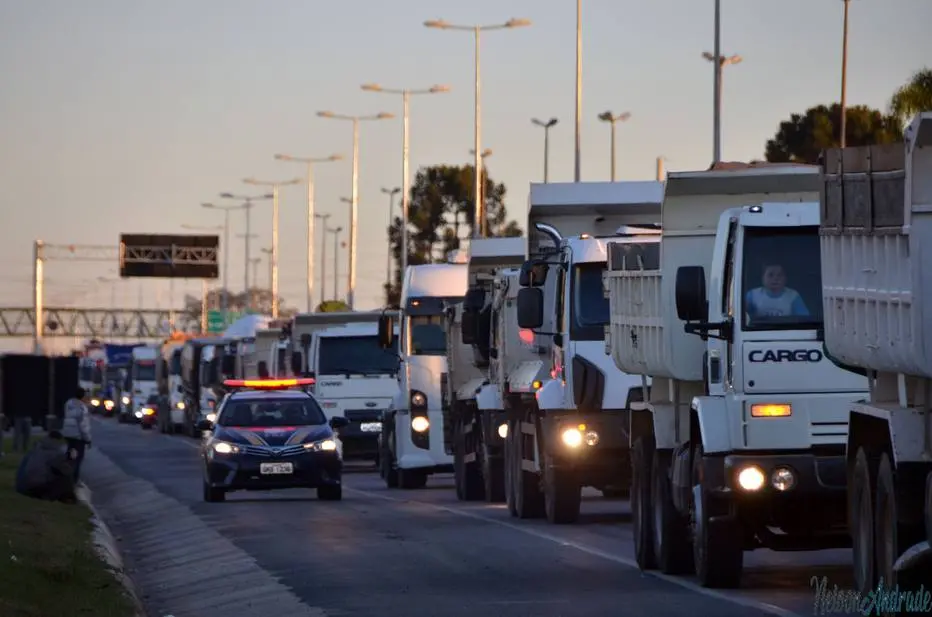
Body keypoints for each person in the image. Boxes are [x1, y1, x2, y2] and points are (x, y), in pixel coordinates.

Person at [15, 430, 76, 503]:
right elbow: (66, 470)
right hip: (37, 486)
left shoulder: (37, 447)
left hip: (25, 485)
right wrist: (71, 460)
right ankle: (68, 499)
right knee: (65, 478)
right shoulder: (55, 451)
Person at [745, 263, 809, 318]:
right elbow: (744, 314)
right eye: (770, 275)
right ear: (762, 278)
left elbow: (804, 319)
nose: (775, 278)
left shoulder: (793, 296)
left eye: (779, 275)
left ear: (785, 278)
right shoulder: (752, 295)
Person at [61, 387, 92, 483]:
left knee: (70, 456)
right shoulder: (82, 407)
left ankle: (65, 475)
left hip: (68, 434)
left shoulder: (68, 404)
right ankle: (74, 479)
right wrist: (88, 439)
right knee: (78, 458)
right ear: (83, 396)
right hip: (78, 437)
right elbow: (83, 426)